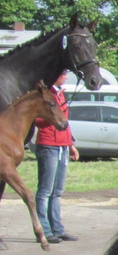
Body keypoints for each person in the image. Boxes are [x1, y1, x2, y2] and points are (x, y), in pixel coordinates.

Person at [33, 70, 79, 245]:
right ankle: (44, 229)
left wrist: (70, 144)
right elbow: (37, 118)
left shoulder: (61, 94)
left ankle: (58, 229)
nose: (66, 77)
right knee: (45, 190)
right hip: (48, 144)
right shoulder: (46, 95)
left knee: (58, 190)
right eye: (64, 74)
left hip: (62, 145)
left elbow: (65, 122)